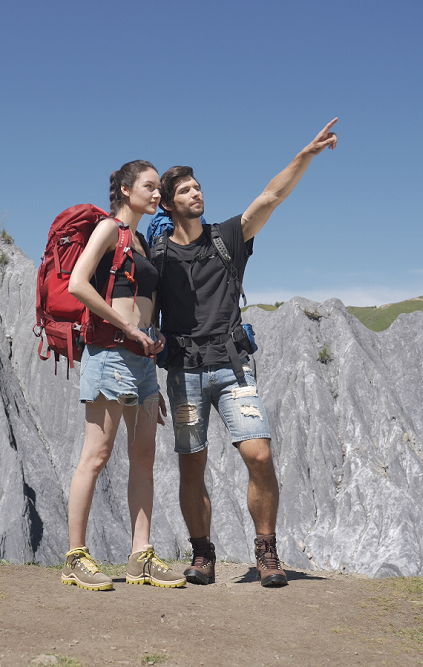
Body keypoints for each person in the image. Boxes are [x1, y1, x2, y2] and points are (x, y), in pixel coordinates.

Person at [153, 119, 339, 587]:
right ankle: (202, 555)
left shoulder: (227, 238)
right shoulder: (158, 256)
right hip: (183, 371)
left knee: (259, 455)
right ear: (169, 203)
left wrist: (306, 155)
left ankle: (266, 552)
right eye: (186, 190)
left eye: (198, 187)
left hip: (232, 367)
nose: (196, 193)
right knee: (191, 463)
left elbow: (271, 196)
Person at [61, 160, 187, 591]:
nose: (157, 194)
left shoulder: (141, 242)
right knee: (96, 456)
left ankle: (141, 556)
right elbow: (78, 283)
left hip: (142, 362)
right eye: (149, 187)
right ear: (126, 189)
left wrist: (149, 337)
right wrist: (128, 327)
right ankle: (75, 557)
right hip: (110, 355)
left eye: (158, 188)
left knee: (144, 457)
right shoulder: (109, 229)